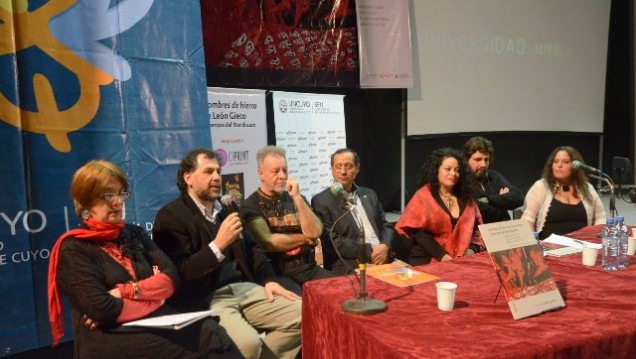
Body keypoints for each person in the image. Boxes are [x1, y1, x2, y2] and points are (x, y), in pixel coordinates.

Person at [48, 160, 241, 359]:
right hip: (109, 335)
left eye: (121, 193)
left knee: (210, 329)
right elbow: (103, 310)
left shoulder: (134, 233)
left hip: (151, 321)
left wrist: (126, 291)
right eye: (107, 195)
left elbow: (172, 277)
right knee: (210, 337)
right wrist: (157, 298)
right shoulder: (73, 248)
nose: (117, 202)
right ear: (86, 201)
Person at [153, 149, 302, 359]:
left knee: (304, 316)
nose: (216, 177)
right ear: (188, 178)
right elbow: (180, 273)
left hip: (245, 288)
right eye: (208, 172)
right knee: (248, 345)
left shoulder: (227, 207)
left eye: (218, 171)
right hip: (208, 296)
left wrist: (268, 280)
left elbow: (253, 250)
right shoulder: (170, 216)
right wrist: (218, 245)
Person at [240, 146, 335, 295]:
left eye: (285, 170)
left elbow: (316, 231)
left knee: (344, 289)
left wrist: (297, 198)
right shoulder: (250, 205)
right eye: (275, 171)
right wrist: (305, 238)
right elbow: (269, 242)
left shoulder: (296, 199)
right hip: (279, 274)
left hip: (309, 268)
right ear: (261, 174)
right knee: (303, 305)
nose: (282, 175)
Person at [394, 148, 485, 266]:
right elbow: (420, 234)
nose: (453, 173)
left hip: (461, 261)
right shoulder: (423, 196)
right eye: (448, 169)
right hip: (428, 261)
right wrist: (444, 257)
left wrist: (471, 250)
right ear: (436, 170)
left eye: (457, 170)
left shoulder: (466, 197)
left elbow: (477, 230)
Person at [311, 148, 395, 274]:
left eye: (348, 166)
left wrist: (385, 246)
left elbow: (385, 225)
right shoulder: (321, 201)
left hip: (384, 257)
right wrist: (369, 251)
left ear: (357, 168)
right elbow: (332, 241)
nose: (343, 172)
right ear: (332, 170)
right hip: (351, 264)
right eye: (338, 167)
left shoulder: (369, 194)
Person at [522, 146, 606, 239]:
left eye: (565, 162)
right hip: (550, 248)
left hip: (582, 246)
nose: (559, 165)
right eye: (556, 161)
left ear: (575, 166)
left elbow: (600, 216)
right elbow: (528, 220)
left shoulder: (587, 188)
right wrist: (532, 245)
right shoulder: (540, 187)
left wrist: (595, 236)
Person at [462, 136, 524, 223]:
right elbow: (477, 210)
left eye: (486, 159)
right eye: (478, 159)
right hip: (481, 232)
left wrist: (487, 200)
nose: (483, 164)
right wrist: (502, 201)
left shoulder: (494, 176)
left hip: (505, 228)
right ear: (466, 160)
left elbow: (519, 197)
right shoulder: (461, 181)